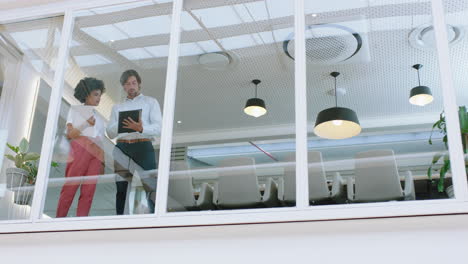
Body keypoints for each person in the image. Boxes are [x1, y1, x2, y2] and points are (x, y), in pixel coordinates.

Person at [106, 69, 162, 215]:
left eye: (133, 83)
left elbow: (159, 128)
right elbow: (110, 133)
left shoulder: (151, 102)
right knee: (121, 188)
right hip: (122, 148)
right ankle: (120, 222)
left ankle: (153, 221)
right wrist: (121, 124)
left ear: (139, 84)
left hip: (143, 145)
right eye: (127, 84)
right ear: (123, 87)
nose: (131, 86)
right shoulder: (117, 107)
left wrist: (141, 128)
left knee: (149, 186)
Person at [56, 77, 106, 217]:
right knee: (70, 187)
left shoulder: (100, 119)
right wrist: (86, 124)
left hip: (96, 152)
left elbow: (101, 142)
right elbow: (70, 134)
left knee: (89, 192)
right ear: (86, 94)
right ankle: (59, 220)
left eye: (100, 95)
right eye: (96, 94)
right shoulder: (75, 110)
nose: (99, 98)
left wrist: (102, 163)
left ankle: (81, 222)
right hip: (80, 147)